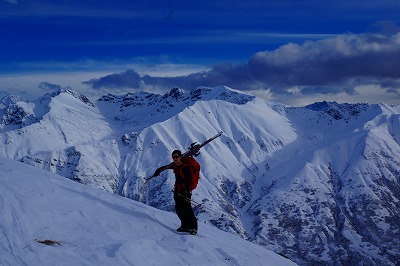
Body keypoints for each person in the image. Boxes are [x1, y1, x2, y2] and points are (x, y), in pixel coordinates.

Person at [170, 149, 198, 235]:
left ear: (180, 156)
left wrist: (185, 191)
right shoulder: (176, 166)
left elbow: (189, 181)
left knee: (187, 209)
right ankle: (185, 226)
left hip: (185, 191)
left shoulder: (185, 167)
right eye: (173, 157)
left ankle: (193, 228)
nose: (175, 159)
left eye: (176, 157)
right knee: (179, 209)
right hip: (177, 190)